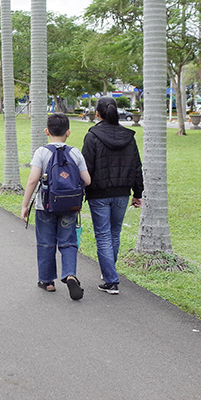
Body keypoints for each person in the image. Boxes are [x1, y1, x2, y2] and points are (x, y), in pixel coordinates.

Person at [21, 112, 90, 299]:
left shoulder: (42, 152)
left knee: (45, 243)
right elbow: (87, 180)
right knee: (68, 243)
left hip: (46, 207)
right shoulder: (75, 152)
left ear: (46, 131)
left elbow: (33, 180)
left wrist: (25, 205)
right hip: (69, 207)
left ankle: (47, 281)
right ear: (68, 132)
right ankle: (70, 275)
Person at [81, 96, 143, 295]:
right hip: (122, 193)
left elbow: (85, 168)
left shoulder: (92, 136)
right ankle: (109, 272)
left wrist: (80, 192)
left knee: (103, 235)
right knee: (114, 234)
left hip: (98, 194)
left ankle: (110, 280)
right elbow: (136, 167)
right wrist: (137, 193)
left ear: (98, 113)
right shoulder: (129, 137)